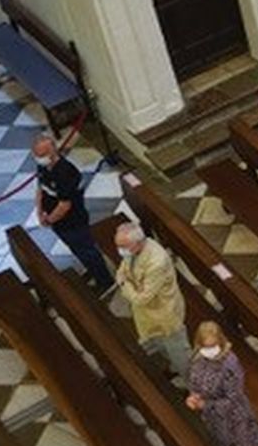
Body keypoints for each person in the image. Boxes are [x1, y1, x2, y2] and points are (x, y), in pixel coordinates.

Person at [186, 321, 258, 446]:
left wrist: (207, 405)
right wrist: (194, 396)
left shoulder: (230, 363)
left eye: (213, 346)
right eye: (206, 346)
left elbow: (234, 396)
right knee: (232, 442)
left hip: (234, 413)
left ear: (221, 341)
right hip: (215, 415)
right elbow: (194, 380)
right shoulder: (197, 357)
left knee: (248, 442)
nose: (209, 350)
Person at [32, 133, 113, 291]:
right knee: (76, 249)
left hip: (73, 221)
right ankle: (92, 271)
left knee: (87, 250)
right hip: (57, 221)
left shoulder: (65, 172)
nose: (39, 158)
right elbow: (40, 189)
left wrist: (49, 220)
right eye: (36, 155)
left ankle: (104, 281)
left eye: (42, 154)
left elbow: (65, 205)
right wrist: (39, 211)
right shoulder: (42, 166)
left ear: (53, 151)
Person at [114, 222, 190, 380]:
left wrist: (123, 284)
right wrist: (125, 280)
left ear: (138, 242)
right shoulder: (133, 251)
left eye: (123, 246)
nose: (120, 251)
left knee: (180, 354)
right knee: (159, 344)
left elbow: (142, 298)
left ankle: (193, 387)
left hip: (164, 314)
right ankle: (173, 366)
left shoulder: (156, 261)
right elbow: (123, 269)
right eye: (118, 246)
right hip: (147, 314)